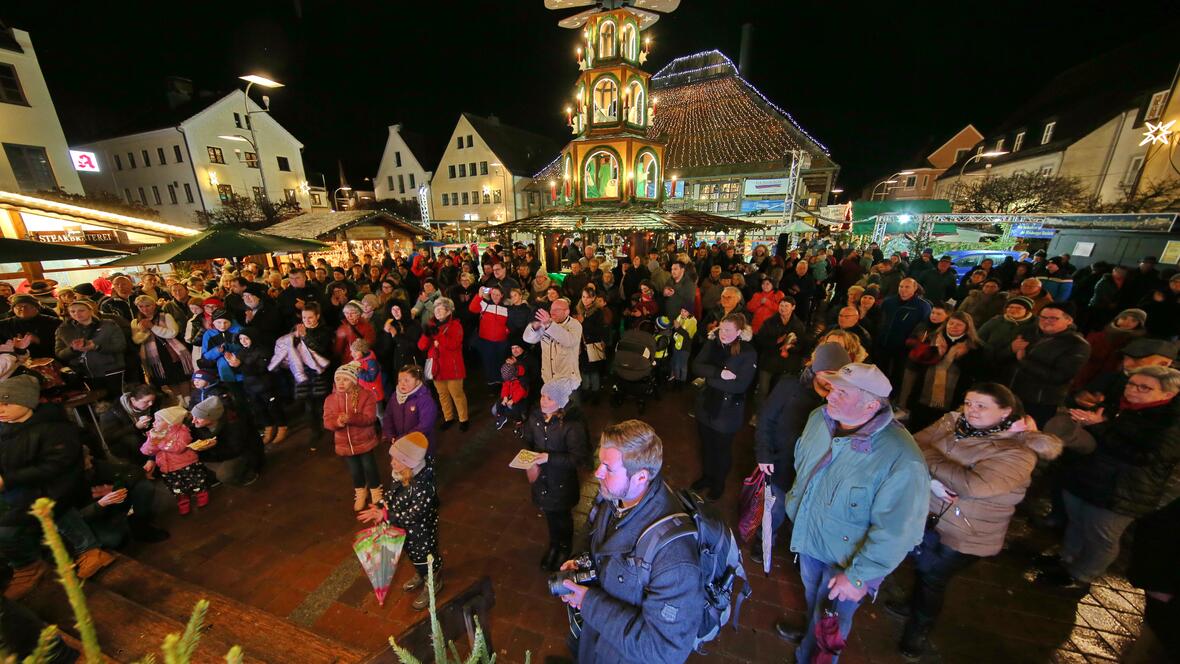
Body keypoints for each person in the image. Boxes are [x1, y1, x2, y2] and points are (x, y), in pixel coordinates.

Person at [891, 383, 1062, 658]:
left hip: (966, 533)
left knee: (933, 578)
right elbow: (913, 440)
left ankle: (918, 631)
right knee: (923, 567)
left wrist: (929, 463)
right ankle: (911, 604)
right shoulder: (955, 421)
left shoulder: (1018, 452)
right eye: (969, 403)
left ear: (1006, 411)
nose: (971, 410)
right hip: (931, 514)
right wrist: (936, 477)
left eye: (981, 406)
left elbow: (972, 486)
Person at [775, 363, 929, 664]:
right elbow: (803, 465)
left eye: (842, 392)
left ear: (871, 404)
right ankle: (809, 635)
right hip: (810, 539)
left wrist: (859, 578)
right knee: (815, 602)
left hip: (848, 560)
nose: (830, 396)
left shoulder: (902, 459)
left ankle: (812, 655)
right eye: (832, 388)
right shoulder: (819, 419)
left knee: (833, 619)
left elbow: (899, 531)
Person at [557, 420, 704, 664]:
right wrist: (580, 559)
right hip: (596, 641)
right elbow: (591, 531)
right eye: (599, 462)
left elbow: (664, 651)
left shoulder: (675, 559)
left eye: (608, 467)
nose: (597, 473)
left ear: (641, 477)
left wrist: (589, 603)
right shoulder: (614, 495)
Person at [1036, 366, 1180, 592]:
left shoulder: (1171, 422)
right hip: (1089, 476)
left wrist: (1101, 428)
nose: (1133, 390)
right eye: (1131, 383)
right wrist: (1085, 420)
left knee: (1101, 536)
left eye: (1144, 387)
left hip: (1123, 489)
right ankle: (1066, 558)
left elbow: (1148, 457)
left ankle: (1081, 575)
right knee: (1077, 521)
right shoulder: (1121, 405)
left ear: (1168, 394)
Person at [0, 375, 114, 599]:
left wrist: (8, 479)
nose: (1, 410)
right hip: (22, 489)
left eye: (6, 403)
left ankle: (28, 568)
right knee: (60, 518)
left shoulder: (55, 428)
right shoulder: (5, 428)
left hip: (52, 488)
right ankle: (87, 550)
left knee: (8, 530)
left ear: (26, 402)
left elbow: (55, 466)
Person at [753, 343, 851, 564]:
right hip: (781, 464)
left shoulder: (842, 401)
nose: (831, 380)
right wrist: (764, 455)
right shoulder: (789, 386)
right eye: (828, 373)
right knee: (774, 510)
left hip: (816, 473)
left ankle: (800, 549)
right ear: (815, 369)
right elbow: (766, 419)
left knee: (806, 515)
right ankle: (763, 542)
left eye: (837, 375)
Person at [358, 432, 441, 611]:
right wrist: (381, 506)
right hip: (406, 532)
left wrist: (387, 516)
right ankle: (422, 574)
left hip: (421, 534)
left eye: (396, 459)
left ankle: (433, 582)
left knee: (425, 558)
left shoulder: (422, 488)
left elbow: (414, 515)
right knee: (413, 557)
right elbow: (391, 496)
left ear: (409, 462)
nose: (391, 463)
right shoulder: (400, 476)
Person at [523, 380, 589, 571]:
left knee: (562, 516)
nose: (543, 401)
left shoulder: (571, 424)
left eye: (549, 398)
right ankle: (554, 545)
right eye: (542, 396)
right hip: (542, 480)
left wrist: (549, 458)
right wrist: (528, 460)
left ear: (560, 402)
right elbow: (527, 440)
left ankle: (564, 548)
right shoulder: (535, 417)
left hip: (561, 482)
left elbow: (578, 458)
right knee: (549, 514)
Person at [691, 313, 757, 500]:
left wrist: (710, 379)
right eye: (721, 328)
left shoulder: (748, 352)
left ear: (739, 332)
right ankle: (707, 476)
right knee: (706, 445)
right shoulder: (713, 343)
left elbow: (740, 385)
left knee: (722, 449)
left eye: (728, 330)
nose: (723, 333)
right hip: (707, 405)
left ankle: (718, 483)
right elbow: (696, 366)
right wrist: (719, 373)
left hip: (727, 411)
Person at [1005, 302, 1091, 426]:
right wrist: (1010, 349)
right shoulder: (1029, 333)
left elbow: (1059, 377)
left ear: (1069, 320)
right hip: (1010, 394)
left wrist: (1024, 360)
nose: (1046, 321)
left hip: (1038, 402)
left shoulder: (1077, 345)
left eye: (1053, 318)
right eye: (1043, 317)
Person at [270, 303, 334, 443]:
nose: (307, 320)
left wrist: (305, 337)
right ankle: (315, 430)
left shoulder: (325, 331)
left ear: (317, 316)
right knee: (308, 404)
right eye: (304, 317)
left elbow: (322, 349)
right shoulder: (296, 330)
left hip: (319, 373)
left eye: (310, 317)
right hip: (302, 373)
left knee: (322, 403)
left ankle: (329, 427)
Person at [324, 364, 382, 512]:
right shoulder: (330, 399)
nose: (341, 383)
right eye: (338, 379)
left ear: (354, 381)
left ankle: (376, 490)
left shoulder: (366, 396)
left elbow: (370, 418)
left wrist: (351, 418)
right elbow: (327, 421)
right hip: (345, 444)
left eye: (345, 379)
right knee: (354, 470)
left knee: (369, 466)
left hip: (364, 441)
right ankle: (360, 492)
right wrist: (337, 422)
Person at [140, 406, 210, 516]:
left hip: (187, 464)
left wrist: (160, 441)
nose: (154, 423)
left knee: (196, 482)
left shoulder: (182, 431)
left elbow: (178, 448)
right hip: (167, 468)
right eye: (154, 420)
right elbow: (145, 451)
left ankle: (201, 494)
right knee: (177, 488)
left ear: (170, 422)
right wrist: (152, 442)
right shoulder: (153, 434)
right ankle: (183, 502)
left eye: (158, 420)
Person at [55, 299, 127, 400]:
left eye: (81, 310)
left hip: (111, 370)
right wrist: (73, 349)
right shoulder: (63, 330)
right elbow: (60, 353)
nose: (77, 314)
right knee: (99, 404)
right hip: (86, 374)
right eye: (73, 311)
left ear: (90, 310)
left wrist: (96, 347)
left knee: (117, 399)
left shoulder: (108, 325)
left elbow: (120, 346)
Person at [419, 297, 469, 431]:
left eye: (441, 309)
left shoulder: (456, 325)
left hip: (453, 367)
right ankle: (449, 418)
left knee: (457, 394)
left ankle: (463, 419)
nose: (437, 312)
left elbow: (453, 345)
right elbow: (422, 346)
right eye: (436, 309)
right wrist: (425, 334)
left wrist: (438, 335)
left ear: (448, 311)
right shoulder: (431, 325)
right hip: (437, 368)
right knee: (443, 395)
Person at [190, 394, 262, 487]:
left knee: (224, 475)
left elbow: (237, 450)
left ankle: (248, 475)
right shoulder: (198, 426)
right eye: (193, 417)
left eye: (198, 418)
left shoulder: (234, 424)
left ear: (212, 417)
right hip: (220, 454)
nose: (193, 421)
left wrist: (212, 447)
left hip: (242, 454)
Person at [131, 295, 193, 396]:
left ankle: (187, 399)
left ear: (154, 305)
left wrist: (152, 327)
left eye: (147, 305)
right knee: (168, 379)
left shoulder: (165, 316)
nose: (144, 309)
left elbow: (173, 333)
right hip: (153, 356)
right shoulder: (135, 322)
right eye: (140, 306)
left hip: (170, 351)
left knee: (181, 376)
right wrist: (143, 332)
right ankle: (179, 400)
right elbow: (136, 340)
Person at [235, 327, 287, 445]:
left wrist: (240, 365)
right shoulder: (241, 353)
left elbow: (261, 368)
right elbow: (240, 371)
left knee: (273, 407)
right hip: (250, 386)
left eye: (246, 338)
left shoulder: (263, 350)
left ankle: (282, 427)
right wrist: (235, 365)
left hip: (266, 384)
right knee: (259, 408)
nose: (243, 341)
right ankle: (268, 427)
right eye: (241, 339)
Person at [523, 297, 583, 390]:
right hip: (548, 377)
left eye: (556, 310)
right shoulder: (546, 322)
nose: (552, 312)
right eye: (551, 309)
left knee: (569, 404)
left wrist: (549, 325)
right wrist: (534, 328)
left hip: (567, 379)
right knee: (550, 404)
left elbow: (569, 341)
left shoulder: (575, 325)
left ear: (566, 312)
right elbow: (528, 339)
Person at [99, 383, 158, 463]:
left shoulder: (150, 406)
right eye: (146, 401)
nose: (151, 404)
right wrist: (135, 427)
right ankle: (142, 465)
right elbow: (110, 437)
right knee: (133, 440)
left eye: (152, 401)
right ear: (133, 400)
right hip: (123, 444)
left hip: (143, 437)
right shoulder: (112, 411)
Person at [469, 285, 511, 386]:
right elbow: (472, 308)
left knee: (500, 360)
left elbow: (510, 322)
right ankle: (491, 380)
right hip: (486, 340)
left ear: (502, 295)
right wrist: (481, 294)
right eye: (493, 294)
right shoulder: (485, 305)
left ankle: (500, 379)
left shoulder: (507, 308)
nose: (495, 296)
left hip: (501, 340)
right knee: (488, 360)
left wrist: (507, 330)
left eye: (498, 294)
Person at [0, 294, 61, 360]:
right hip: (14, 363)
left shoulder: (54, 322)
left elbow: (63, 348)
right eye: (18, 306)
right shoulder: (3, 325)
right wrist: (15, 347)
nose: (23, 309)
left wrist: (39, 340)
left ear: (37, 308)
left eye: (28, 306)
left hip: (49, 360)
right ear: (13, 309)